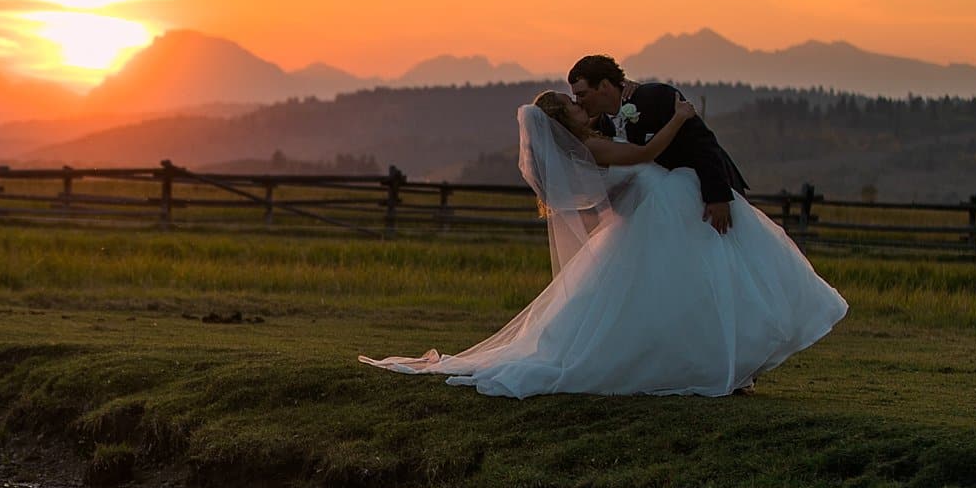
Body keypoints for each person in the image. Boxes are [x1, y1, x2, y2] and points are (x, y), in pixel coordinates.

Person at [358, 90, 847, 397]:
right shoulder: (591, 149)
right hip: (664, 215)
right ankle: (712, 364)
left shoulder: (586, 148)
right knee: (690, 295)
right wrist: (681, 116)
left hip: (663, 216)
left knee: (683, 297)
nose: (581, 105)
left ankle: (726, 364)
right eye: (573, 105)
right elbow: (646, 153)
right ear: (562, 121)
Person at [569, 54, 747, 234]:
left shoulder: (655, 97)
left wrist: (717, 197)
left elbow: (702, 142)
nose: (579, 102)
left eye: (582, 94)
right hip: (659, 215)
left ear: (604, 86)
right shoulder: (600, 129)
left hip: (701, 196)